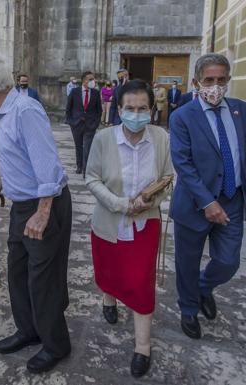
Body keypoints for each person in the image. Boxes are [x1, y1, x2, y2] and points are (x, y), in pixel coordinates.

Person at [0, 50, 72, 374]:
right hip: (21, 205)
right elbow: (19, 160)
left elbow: (47, 167)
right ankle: (29, 330)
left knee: (43, 279)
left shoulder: (25, 110)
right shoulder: (3, 111)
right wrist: (0, 187)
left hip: (44, 204)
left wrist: (42, 212)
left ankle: (56, 344)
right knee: (17, 272)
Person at [170, 53, 246, 340]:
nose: (215, 85)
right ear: (197, 82)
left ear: (229, 81)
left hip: (233, 199)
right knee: (187, 261)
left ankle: (204, 288)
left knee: (228, 261)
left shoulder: (241, 111)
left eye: (221, 79)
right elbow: (183, 164)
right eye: (209, 80)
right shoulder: (182, 116)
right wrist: (207, 202)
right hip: (195, 204)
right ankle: (187, 308)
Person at [86, 79, 173, 378]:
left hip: (144, 224)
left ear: (152, 109)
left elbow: (167, 177)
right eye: (130, 108)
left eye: (143, 108)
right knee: (109, 271)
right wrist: (122, 204)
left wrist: (148, 202)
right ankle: (108, 297)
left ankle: (143, 346)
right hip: (109, 222)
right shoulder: (103, 139)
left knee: (140, 282)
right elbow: (92, 179)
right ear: (119, 109)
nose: (136, 114)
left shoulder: (161, 138)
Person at [65, 71, 102, 175]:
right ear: (84, 81)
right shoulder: (74, 92)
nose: (93, 81)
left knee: (87, 147)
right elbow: (68, 108)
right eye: (90, 79)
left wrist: (96, 124)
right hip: (76, 124)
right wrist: (70, 121)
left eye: (93, 79)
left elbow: (99, 110)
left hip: (90, 125)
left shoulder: (95, 93)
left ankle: (86, 169)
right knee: (78, 146)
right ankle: (79, 166)